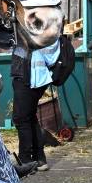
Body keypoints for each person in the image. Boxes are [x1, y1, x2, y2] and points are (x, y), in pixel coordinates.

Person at [12, 38, 60, 172]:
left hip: (30, 77)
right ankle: (39, 159)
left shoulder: (36, 25)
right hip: (31, 75)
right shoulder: (41, 24)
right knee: (29, 117)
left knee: (21, 119)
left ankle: (26, 161)